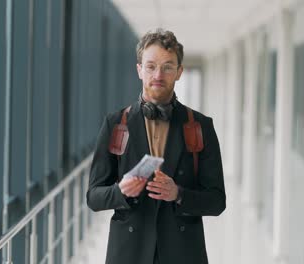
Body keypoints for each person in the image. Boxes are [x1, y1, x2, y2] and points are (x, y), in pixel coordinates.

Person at [86, 28, 226, 264]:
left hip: (183, 252)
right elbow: (94, 197)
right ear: (139, 69)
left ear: (179, 72)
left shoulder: (201, 126)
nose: (158, 74)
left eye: (168, 67)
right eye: (151, 66)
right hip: (128, 252)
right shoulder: (115, 124)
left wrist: (179, 194)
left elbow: (217, 201)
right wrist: (120, 191)